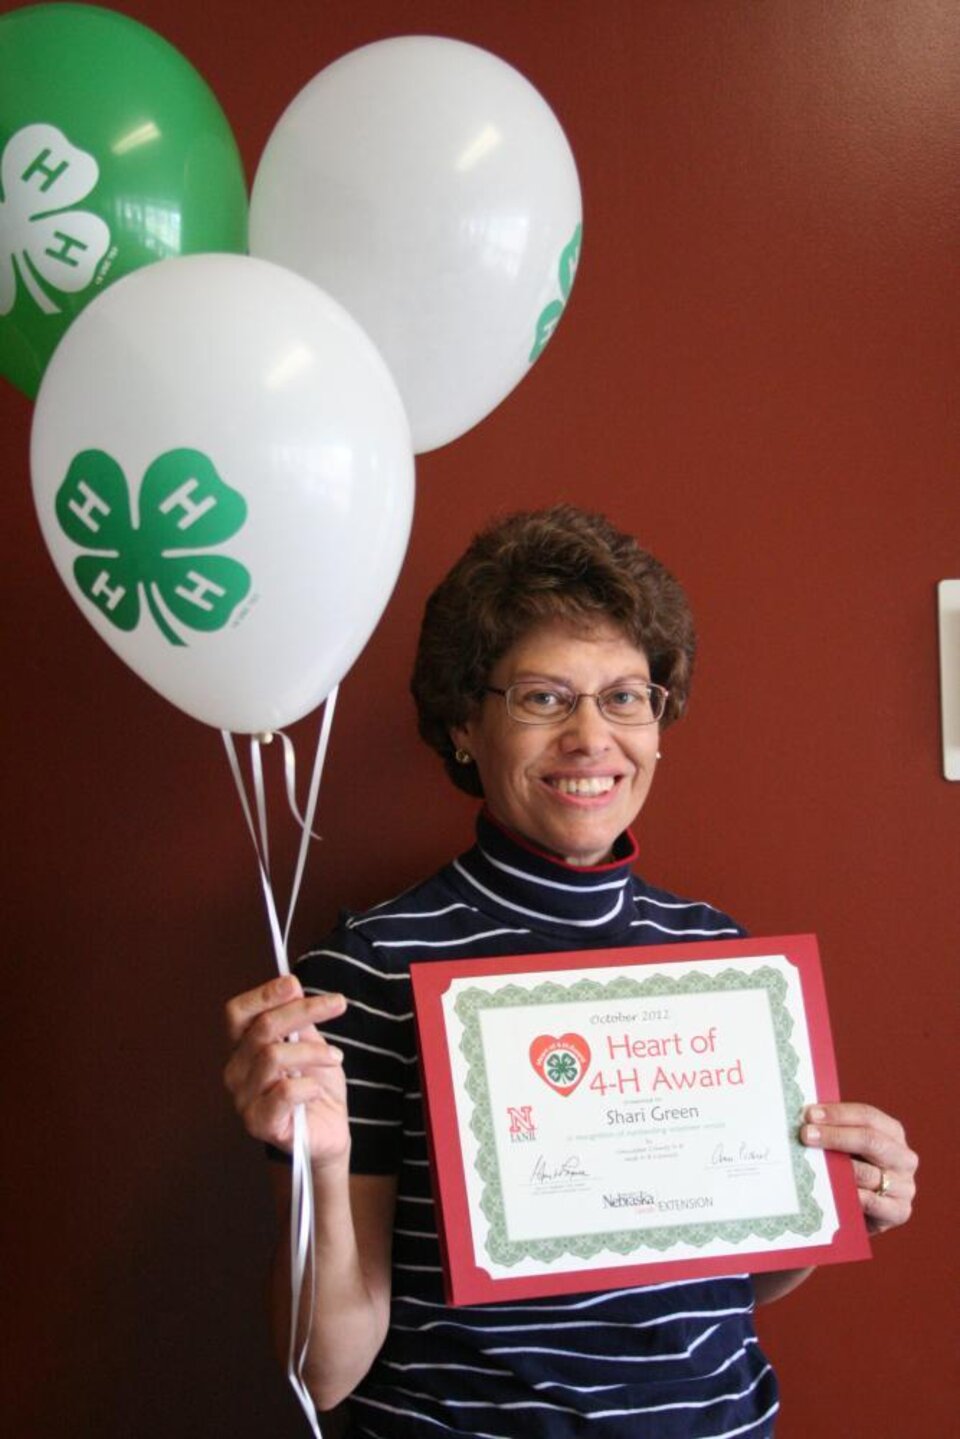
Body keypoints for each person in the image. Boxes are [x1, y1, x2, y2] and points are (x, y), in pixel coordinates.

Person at [224, 505, 917, 1438]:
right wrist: (325, 1164)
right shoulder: (369, 969)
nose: (593, 737)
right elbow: (325, 1372)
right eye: (545, 696)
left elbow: (727, 1281)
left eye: (626, 696)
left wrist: (836, 1203)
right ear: (466, 725)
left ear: (659, 723)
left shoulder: (719, 960)